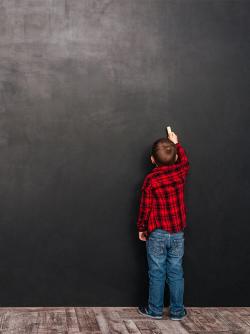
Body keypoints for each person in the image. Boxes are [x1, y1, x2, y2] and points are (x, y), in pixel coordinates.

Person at [137, 131, 190, 320]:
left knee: (157, 271)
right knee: (176, 271)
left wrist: (142, 228)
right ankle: (177, 311)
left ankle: (155, 310)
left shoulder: (151, 180)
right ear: (175, 157)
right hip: (177, 233)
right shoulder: (180, 172)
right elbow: (184, 161)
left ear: (152, 160)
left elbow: (145, 207)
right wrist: (177, 144)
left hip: (157, 233)